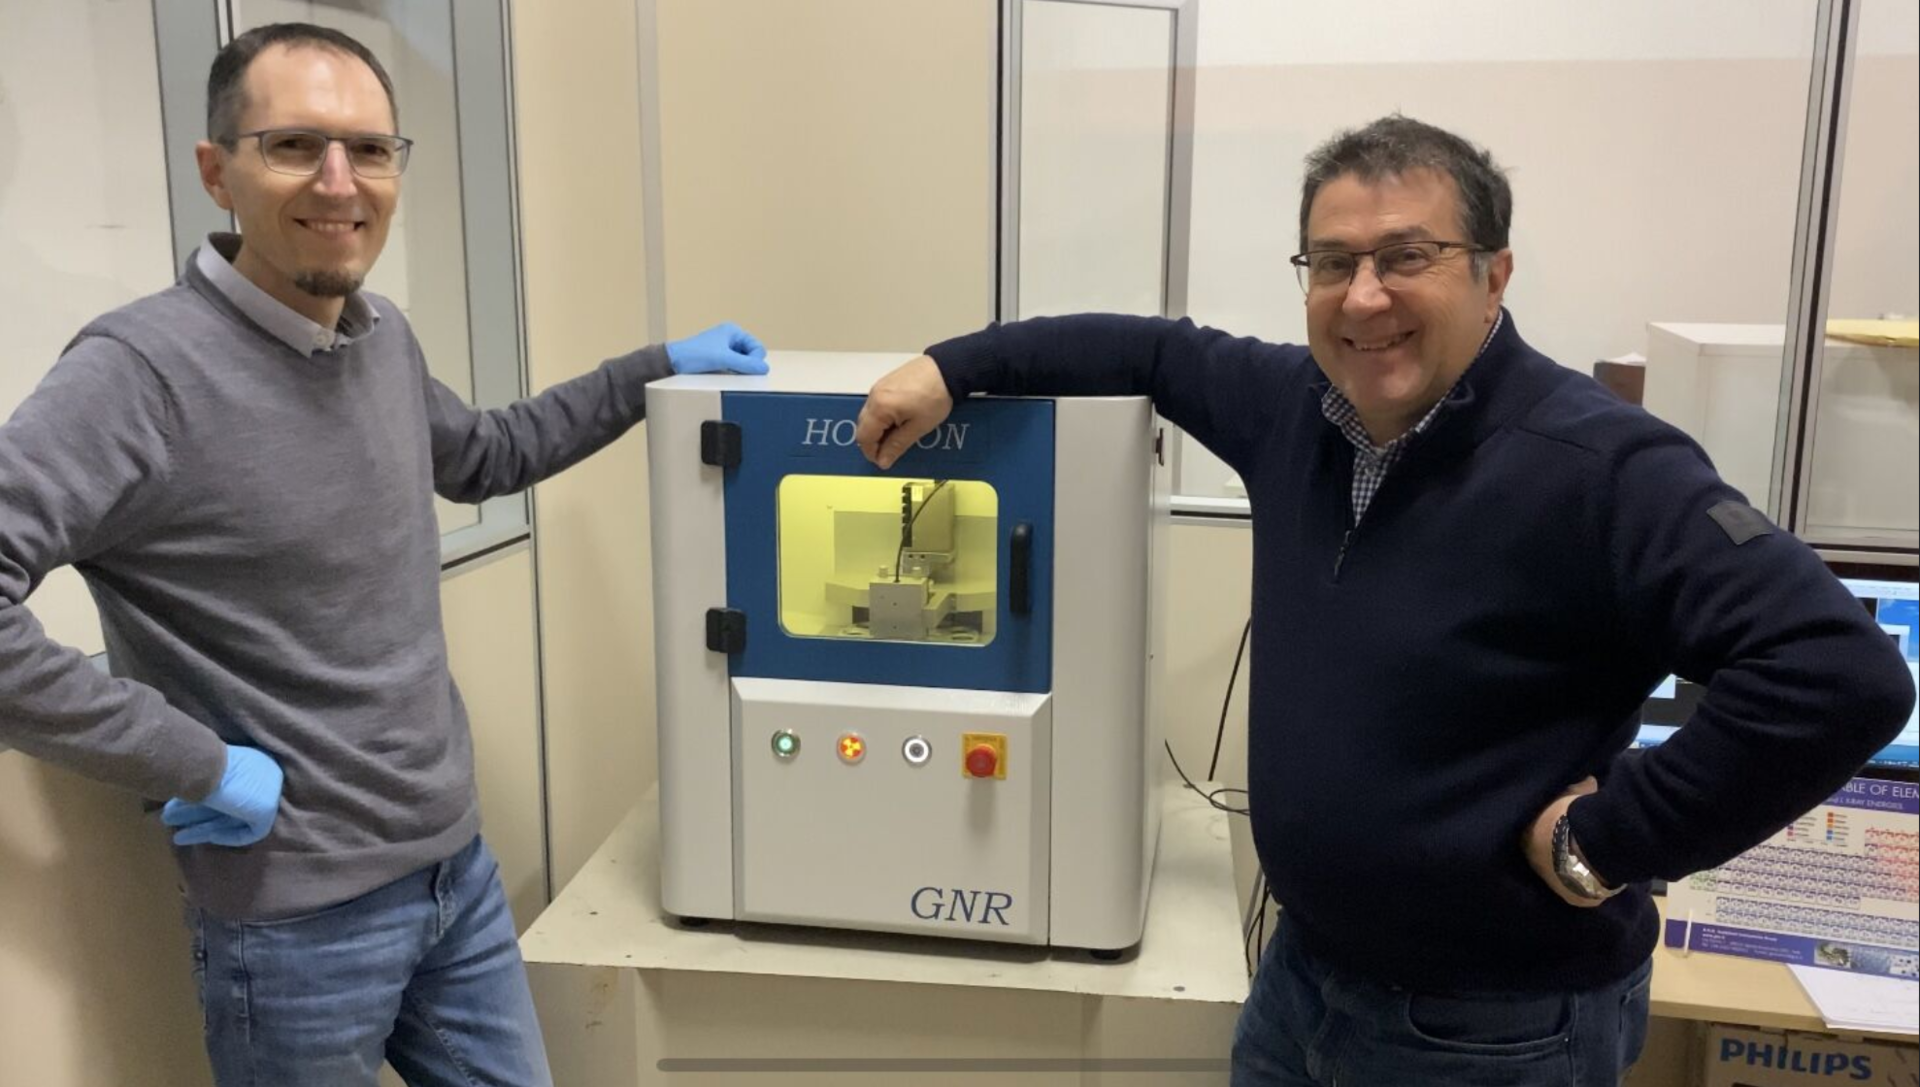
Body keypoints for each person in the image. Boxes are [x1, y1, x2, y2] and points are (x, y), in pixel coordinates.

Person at [854, 115, 1914, 1086]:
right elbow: (1151, 351)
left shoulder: (1600, 467)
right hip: (1303, 978)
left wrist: (1607, 839)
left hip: (1491, 1028)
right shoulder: (1295, 407)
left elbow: (1837, 672)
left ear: (1494, 274)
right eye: (1332, 263)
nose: (1363, 296)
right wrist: (951, 367)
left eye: (1408, 256)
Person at [0, 23, 765, 1087]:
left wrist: (654, 369)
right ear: (217, 171)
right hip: (295, 925)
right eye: (293, 145)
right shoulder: (140, 373)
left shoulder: (376, 334)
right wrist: (197, 761)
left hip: (454, 872)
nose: (338, 181)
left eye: (368, 149)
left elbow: (489, 454)